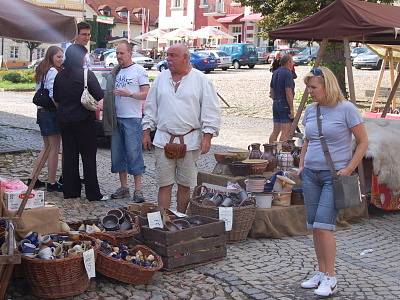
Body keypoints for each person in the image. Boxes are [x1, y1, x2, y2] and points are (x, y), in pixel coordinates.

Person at [299, 66, 368, 297]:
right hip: (310, 174)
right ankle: (320, 272)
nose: (309, 91)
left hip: (334, 176)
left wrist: (348, 168)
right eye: (308, 86)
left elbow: (363, 142)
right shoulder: (310, 110)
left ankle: (331, 277)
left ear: (327, 86)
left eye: (313, 87)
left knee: (323, 226)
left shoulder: (347, 109)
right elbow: (307, 141)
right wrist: (301, 165)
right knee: (314, 228)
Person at [142, 43, 221, 213]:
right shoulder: (160, 79)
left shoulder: (202, 80)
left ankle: (179, 219)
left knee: (185, 186)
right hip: (163, 140)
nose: (168, 59)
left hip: (190, 141)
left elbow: (211, 110)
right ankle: (163, 221)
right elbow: (150, 107)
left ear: (186, 58)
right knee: (164, 184)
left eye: (173, 56)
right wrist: (146, 131)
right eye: (167, 55)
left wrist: (207, 137)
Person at [53, 44, 108, 201]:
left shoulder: (60, 75)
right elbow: (99, 95)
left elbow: (56, 99)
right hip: (84, 120)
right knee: (88, 157)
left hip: (65, 120)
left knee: (69, 155)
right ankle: (92, 193)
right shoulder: (86, 74)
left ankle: (71, 191)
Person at [102, 41, 149, 203]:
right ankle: (124, 187)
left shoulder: (139, 70)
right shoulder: (116, 72)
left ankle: (138, 189)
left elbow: (145, 94)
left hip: (132, 118)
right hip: (116, 118)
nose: (118, 56)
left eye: (121, 53)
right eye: (117, 53)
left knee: (133, 153)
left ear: (130, 53)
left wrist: (129, 94)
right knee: (118, 154)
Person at [27, 46, 63, 192]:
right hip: (50, 113)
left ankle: (33, 178)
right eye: (58, 57)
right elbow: (54, 95)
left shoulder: (42, 69)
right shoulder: (53, 71)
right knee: (54, 148)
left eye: (62, 57)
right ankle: (52, 182)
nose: (61, 59)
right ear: (51, 57)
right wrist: (61, 110)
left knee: (47, 147)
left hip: (41, 112)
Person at [269, 54, 295, 143]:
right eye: (292, 61)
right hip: (284, 104)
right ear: (289, 62)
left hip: (276, 103)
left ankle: (270, 151)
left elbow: (271, 91)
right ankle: (282, 154)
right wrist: (291, 108)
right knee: (285, 132)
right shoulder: (288, 73)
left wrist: (275, 100)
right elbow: (288, 91)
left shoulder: (275, 72)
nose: (293, 63)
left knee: (275, 131)